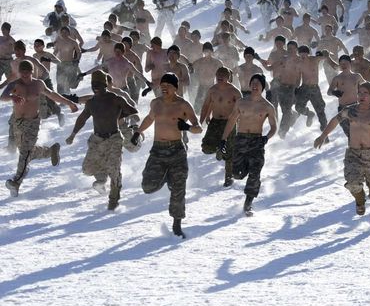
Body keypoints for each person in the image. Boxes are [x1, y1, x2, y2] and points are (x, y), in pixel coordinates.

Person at [314, 82, 370, 230]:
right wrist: (323, 136)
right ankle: (360, 201)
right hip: (353, 154)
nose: (362, 96)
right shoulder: (350, 111)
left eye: (365, 93)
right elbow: (336, 120)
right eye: (359, 93)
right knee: (353, 183)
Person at [134, 73, 202, 238]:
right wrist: (138, 132)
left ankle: (177, 224)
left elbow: (198, 128)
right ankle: (165, 178)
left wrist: (185, 127)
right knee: (147, 187)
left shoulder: (183, 105)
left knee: (179, 189)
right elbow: (150, 119)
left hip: (176, 151)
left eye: (168, 85)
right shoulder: (156, 103)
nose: (164, 87)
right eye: (162, 85)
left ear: (175, 87)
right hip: (157, 150)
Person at [2, 60, 78, 197]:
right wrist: (12, 97)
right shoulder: (15, 84)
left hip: (33, 123)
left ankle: (16, 182)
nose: (25, 74)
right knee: (27, 152)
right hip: (17, 123)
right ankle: (50, 151)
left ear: (32, 72)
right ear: (19, 72)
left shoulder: (38, 84)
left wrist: (69, 103)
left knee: (25, 152)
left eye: (27, 71)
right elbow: (3, 96)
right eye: (22, 71)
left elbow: (52, 95)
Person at [65, 71, 137, 209]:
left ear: (105, 85)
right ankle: (102, 179)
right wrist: (73, 134)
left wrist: (129, 122)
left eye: (98, 84)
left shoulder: (115, 98)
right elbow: (82, 119)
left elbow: (132, 111)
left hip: (114, 138)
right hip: (97, 139)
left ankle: (113, 200)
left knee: (114, 170)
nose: (95, 87)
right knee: (87, 169)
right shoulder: (91, 103)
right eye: (93, 85)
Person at [220, 74, 277, 216]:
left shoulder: (268, 106)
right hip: (241, 140)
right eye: (253, 82)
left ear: (263, 87)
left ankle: (248, 204)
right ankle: (241, 173)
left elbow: (274, 127)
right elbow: (232, 120)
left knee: (255, 173)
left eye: (258, 83)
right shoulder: (241, 102)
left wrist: (266, 138)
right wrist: (223, 139)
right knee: (237, 174)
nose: (255, 85)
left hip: (257, 141)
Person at [200, 67, 241, 187]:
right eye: (218, 74)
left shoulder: (235, 92)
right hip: (215, 121)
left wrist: (240, 124)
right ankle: (219, 150)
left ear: (228, 78)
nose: (220, 77)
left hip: (230, 122)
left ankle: (228, 178)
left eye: (223, 75)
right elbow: (206, 105)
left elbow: (241, 109)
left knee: (230, 151)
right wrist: (200, 121)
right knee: (206, 148)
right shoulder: (212, 90)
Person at [294, 46, 334, 131]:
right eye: (300, 55)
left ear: (308, 54)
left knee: (321, 112)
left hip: (314, 88)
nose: (302, 56)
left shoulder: (315, 59)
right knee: (298, 107)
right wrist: (295, 88)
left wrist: (325, 52)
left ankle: (325, 135)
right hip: (304, 88)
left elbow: (325, 55)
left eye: (304, 54)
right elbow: (298, 79)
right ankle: (309, 114)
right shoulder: (299, 64)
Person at [328, 55, 365, 138]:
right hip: (343, 108)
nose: (343, 65)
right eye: (341, 64)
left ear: (350, 63)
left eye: (345, 63)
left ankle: (361, 148)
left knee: (359, 132)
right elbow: (328, 92)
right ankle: (353, 148)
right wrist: (334, 92)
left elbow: (366, 87)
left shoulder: (357, 76)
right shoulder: (337, 78)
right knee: (349, 133)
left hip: (356, 107)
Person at [192, 42, 224, 111]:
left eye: (208, 51)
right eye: (205, 51)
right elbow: (190, 70)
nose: (206, 52)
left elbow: (225, 73)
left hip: (212, 87)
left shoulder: (217, 63)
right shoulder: (198, 62)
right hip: (201, 86)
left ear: (212, 51)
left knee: (213, 108)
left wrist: (222, 86)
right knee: (197, 109)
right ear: (203, 51)